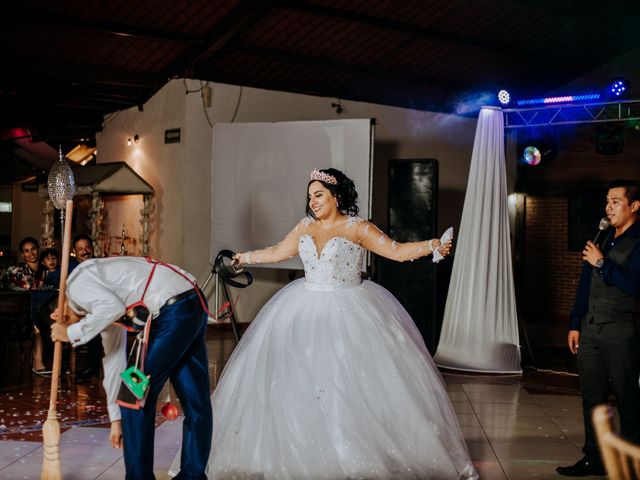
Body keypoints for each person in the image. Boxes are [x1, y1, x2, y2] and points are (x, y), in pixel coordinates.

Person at [171, 168, 478, 479]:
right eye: (310, 196)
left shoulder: (357, 227)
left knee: (347, 384)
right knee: (298, 383)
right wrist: (243, 258)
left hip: (350, 311)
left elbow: (396, 252)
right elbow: (279, 251)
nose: (313, 201)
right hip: (303, 309)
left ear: (337, 196)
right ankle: (303, 450)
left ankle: (348, 449)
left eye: (318, 194)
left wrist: (432, 245)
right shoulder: (305, 226)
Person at [50, 256, 213, 480]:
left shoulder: (76, 285)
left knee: (133, 394)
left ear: (58, 314)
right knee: (195, 399)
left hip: (173, 308)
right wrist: (116, 420)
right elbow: (114, 358)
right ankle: (193, 475)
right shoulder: (98, 307)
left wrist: (68, 333)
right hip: (191, 301)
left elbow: (112, 307)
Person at [557, 180, 640, 477]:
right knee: (592, 397)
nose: (608, 206)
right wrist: (575, 323)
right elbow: (585, 284)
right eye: (607, 201)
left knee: (628, 398)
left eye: (616, 201)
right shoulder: (603, 237)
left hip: (622, 330)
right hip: (591, 331)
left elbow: (635, 284)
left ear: (634, 206)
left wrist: (602, 263)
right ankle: (595, 457)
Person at [70, 233, 103, 381]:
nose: (85, 251)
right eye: (80, 248)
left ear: (93, 248)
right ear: (75, 252)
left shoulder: (101, 265)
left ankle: (95, 368)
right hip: (77, 310)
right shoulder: (70, 268)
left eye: (87, 247)